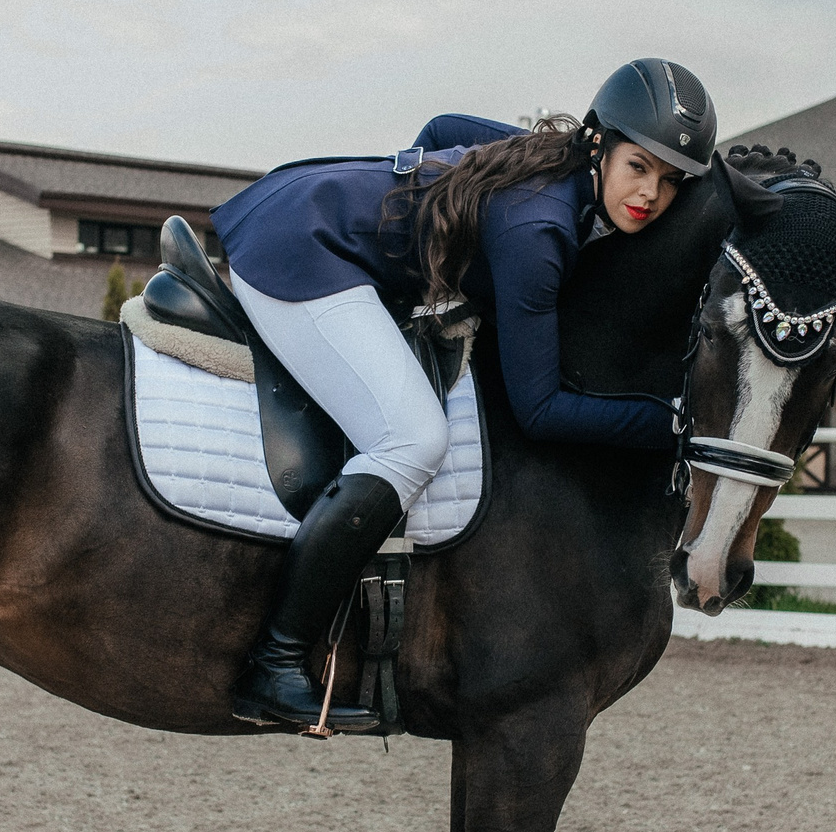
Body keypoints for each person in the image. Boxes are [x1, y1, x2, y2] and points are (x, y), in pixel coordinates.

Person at [209, 57, 716, 731]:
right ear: (599, 144)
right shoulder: (540, 231)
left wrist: (429, 241)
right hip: (299, 248)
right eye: (639, 167)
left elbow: (444, 125)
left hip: (305, 200)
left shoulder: (550, 156)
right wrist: (672, 425)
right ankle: (274, 664)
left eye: (671, 181)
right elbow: (539, 412)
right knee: (413, 438)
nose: (650, 194)